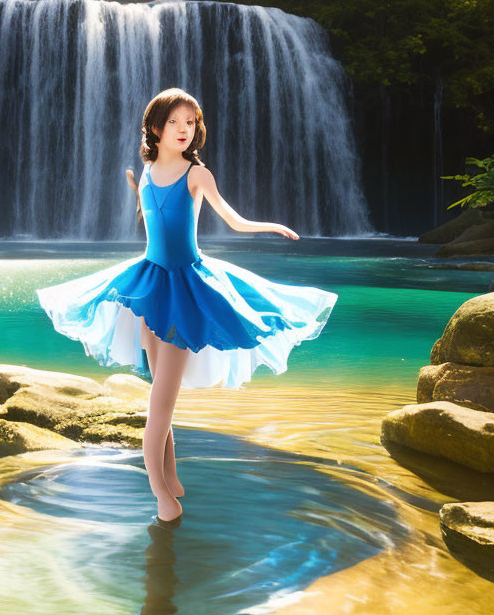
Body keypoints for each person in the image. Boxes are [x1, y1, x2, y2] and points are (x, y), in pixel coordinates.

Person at [35, 88, 338, 524]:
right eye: (176, 122)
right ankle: (165, 489)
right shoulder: (147, 170)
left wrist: (272, 225)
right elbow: (151, 219)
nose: (184, 130)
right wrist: (132, 188)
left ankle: (163, 489)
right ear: (156, 128)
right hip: (149, 285)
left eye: (191, 123)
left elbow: (232, 220)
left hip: (183, 290)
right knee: (161, 400)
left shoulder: (198, 174)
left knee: (161, 401)